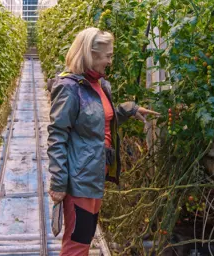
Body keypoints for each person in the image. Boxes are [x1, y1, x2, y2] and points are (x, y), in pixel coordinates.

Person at [47, 27, 159, 256]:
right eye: (107, 55)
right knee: (76, 245)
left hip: (95, 176)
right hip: (80, 181)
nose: (110, 60)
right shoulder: (69, 88)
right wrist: (58, 183)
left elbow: (97, 123)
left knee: (84, 239)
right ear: (91, 54)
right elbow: (57, 136)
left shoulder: (99, 85)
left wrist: (128, 110)